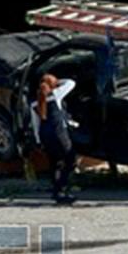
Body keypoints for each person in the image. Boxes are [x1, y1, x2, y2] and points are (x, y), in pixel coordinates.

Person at [35, 73, 78, 205]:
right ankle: (61, 189)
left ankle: (56, 190)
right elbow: (71, 83)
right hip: (58, 133)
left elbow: (36, 123)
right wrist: (58, 81)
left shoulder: (35, 102)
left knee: (55, 162)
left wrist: (38, 141)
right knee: (71, 160)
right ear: (52, 85)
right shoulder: (56, 95)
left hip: (45, 135)